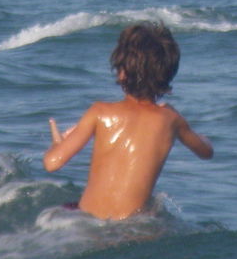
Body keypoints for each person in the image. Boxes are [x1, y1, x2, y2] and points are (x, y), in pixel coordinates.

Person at [42, 21, 214, 219]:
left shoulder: (99, 112)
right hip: (134, 225)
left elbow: (51, 163)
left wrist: (58, 142)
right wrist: (199, 135)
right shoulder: (172, 120)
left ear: (122, 71)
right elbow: (206, 152)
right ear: (167, 74)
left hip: (87, 221)